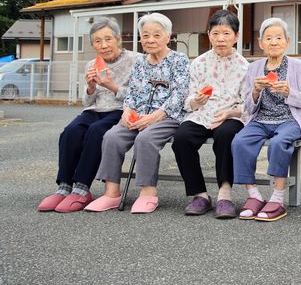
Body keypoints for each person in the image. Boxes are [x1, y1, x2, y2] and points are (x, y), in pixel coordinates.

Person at [86, 13, 190, 214]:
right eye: (146, 35)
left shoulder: (179, 60)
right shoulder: (141, 62)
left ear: (168, 37)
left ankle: (148, 193)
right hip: (138, 114)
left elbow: (180, 94)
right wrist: (127, 111)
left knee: (145, 139)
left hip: (167, 116)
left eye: (156, 35)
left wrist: (155, 116)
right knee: (112, 137)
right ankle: (111, 193)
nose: (150, 40)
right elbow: (132, 92)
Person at [37, 17, 138, 213]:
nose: (104, 45)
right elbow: (87, 102)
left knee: (96, 131)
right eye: (98, 41)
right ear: (92, 44)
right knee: (71, 131)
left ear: (118, 39)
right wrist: (91, 87)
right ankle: (64, 187)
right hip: (94, 109)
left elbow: (137, 96)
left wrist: (111, 85)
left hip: (120, 110)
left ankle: (82, 188)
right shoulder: (92, 63)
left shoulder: (136, 60)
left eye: (108, 39)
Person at [232, 18, 301, 222]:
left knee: (279, 143)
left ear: (287, 42)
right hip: (261, 119)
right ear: (261, 43)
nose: (273, 42)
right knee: (239, 141)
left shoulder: (298, 67)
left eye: (278, 38)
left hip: (290, 119)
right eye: (268, 38)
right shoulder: (254, 68)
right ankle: (253, 195)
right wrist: (254, 91)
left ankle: (277, 197)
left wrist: (290, 92)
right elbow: (248, 106)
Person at [171, 10, 250, 218]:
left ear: (236, 36)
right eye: (215, 33)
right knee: (181, 138)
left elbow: (248, 105)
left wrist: (230, 112)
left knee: (227, 136)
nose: (220, 39)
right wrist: (195, 101)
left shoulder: (244, 67)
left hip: (230, 115)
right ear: (209, 35)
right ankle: (200, 195)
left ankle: (225, 195)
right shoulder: (198, 63)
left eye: (226, 33)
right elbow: (187, 101)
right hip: (201, 115)